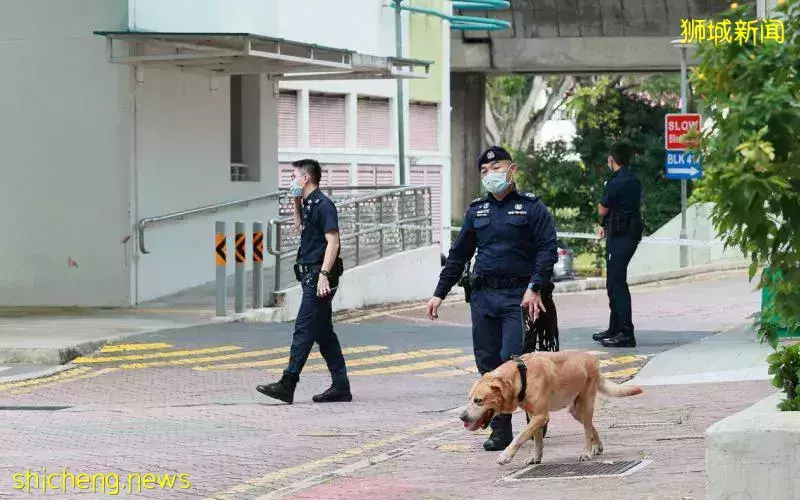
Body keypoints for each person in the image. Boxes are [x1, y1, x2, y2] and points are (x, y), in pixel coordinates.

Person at [426, 145, 558, 451]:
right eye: (484, 171)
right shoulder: (477, 211)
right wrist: (439, 293)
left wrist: (535, 286)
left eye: (496, 168)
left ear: (511, 170)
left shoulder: (531, 208)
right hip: (484, 297)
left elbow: (547, 250)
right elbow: (459, 256)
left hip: (518, 296)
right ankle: (500, 430)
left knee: (513, 362)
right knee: (487, 364)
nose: (490, 175)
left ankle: (536, 416)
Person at [256, 159, 351, 404]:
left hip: (320, 276)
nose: (291, 181)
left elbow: (334, 243)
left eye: (293, 176)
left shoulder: (324, 205)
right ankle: (341, 386)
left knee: (304, 327)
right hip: (310, 274)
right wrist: (296, 199)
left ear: (305, 178)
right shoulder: (308, 203)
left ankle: (288, 383)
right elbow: (299, 226)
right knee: (323, 332)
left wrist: (323, 275)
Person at [592, 140, 643, 348]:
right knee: (614, 283)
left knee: (617, 284)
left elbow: (602, 209)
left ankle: (624, 332)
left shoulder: (616, 182)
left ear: (612, 160)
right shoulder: (633, 179)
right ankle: (614, 328)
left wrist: (602, 220)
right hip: (627, 234)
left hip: (620, 235)